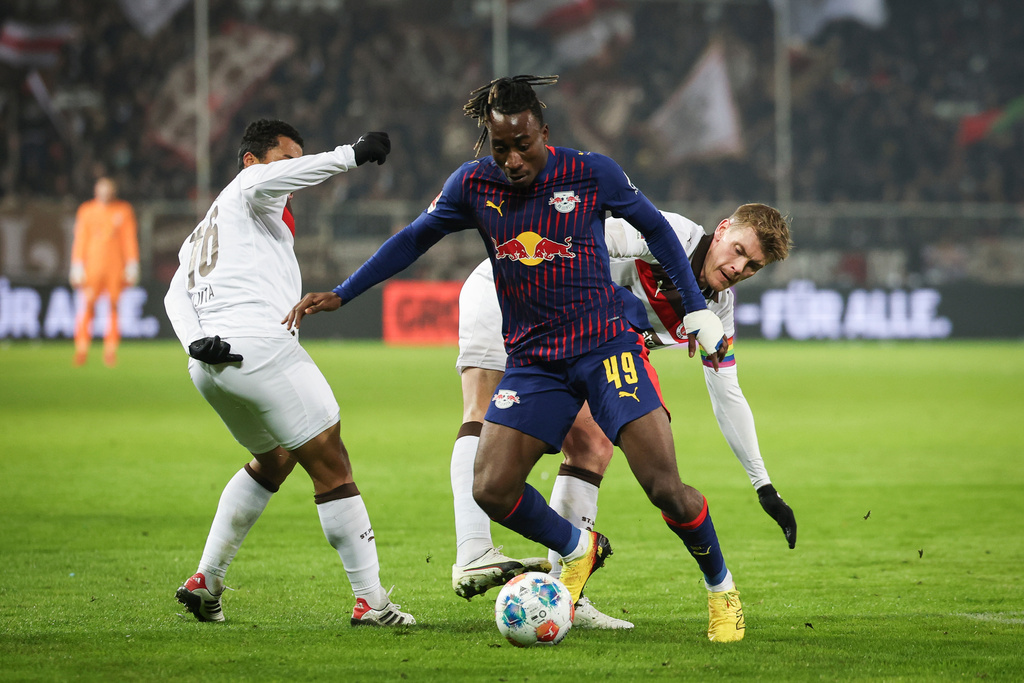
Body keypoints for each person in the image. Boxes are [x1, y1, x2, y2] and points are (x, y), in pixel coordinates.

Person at [285, 75, 748, 642]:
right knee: (492, 488)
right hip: (534, 360)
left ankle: (721, 590)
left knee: (664, 486)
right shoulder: (474, 184)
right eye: (499, 146)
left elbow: (658, 231)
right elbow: (413, 239)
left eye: (521, 144)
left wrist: (697, 307)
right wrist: (344, 292)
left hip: (606, 347)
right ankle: (579, 547)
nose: (511, 158)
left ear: (543, 133)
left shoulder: (590, 172)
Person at [449, 206, 796, 630]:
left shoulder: (717, 307)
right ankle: (473, 549)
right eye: (738, 250)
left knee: (593, 447)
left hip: (580, 345)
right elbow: (573, 238)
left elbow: (729, 394)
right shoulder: (667, 233)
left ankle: (566, 592)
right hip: (513, 289)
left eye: (753, 266)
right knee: (481, 408)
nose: (738, 267)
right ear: (722, 230)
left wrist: (762, 483)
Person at [164, 119, 415, 626]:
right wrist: (351, 153)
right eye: (286, 160)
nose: (293, 172)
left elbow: (174, 294)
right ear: (252, 161)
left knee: (275, 458)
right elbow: (275, 177)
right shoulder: (248, 185)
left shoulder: (204, 231)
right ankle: (371, 602)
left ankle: (206, 580)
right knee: (333, 464)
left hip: (210, 364)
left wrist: (194, 342)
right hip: (259, 348)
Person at [69, 176, 140, 367]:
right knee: (88, 306)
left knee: (114, 308)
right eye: (102, 189)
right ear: (95, 191)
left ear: (113, 191)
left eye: (108, 189)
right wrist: (77, 265)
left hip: (115, 267)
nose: (105, 193)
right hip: (93, 266)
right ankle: (82, 348)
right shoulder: (86, 210)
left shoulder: (123, 210)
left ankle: (110, 350)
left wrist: (132, 264)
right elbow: (81, 239)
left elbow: (129, 238)